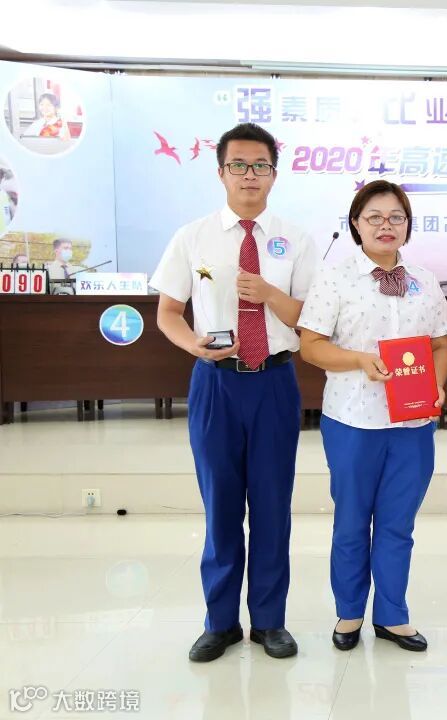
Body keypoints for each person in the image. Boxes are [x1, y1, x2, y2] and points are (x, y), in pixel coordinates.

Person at [150, 123, 317, 662]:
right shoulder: (192, 236)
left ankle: (269, 621)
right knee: (221, 505)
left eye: (260, 165)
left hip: (274, 381)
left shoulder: (296, 239)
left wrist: (268, 293)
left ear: (274, 173)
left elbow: (309, 317)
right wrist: (193, 346)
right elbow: (168, 313)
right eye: (239, 165)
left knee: (271, 506)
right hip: (216, 383)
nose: (250, 175)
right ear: (221, 172)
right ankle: (219, 622)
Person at [298, 181, 447, 653]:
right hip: (353, 421)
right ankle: (349, 613)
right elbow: (311, 346)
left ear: (407, 225)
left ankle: (392, 616)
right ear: (356, 224)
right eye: (375, 217)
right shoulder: (335, 278)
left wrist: (438, 383)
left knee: (397, 525)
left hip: (412, 425)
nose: (386, 225)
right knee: (350, 523)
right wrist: (359, 360)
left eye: (396, 217)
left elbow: (441, 345)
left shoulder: (424, 280)